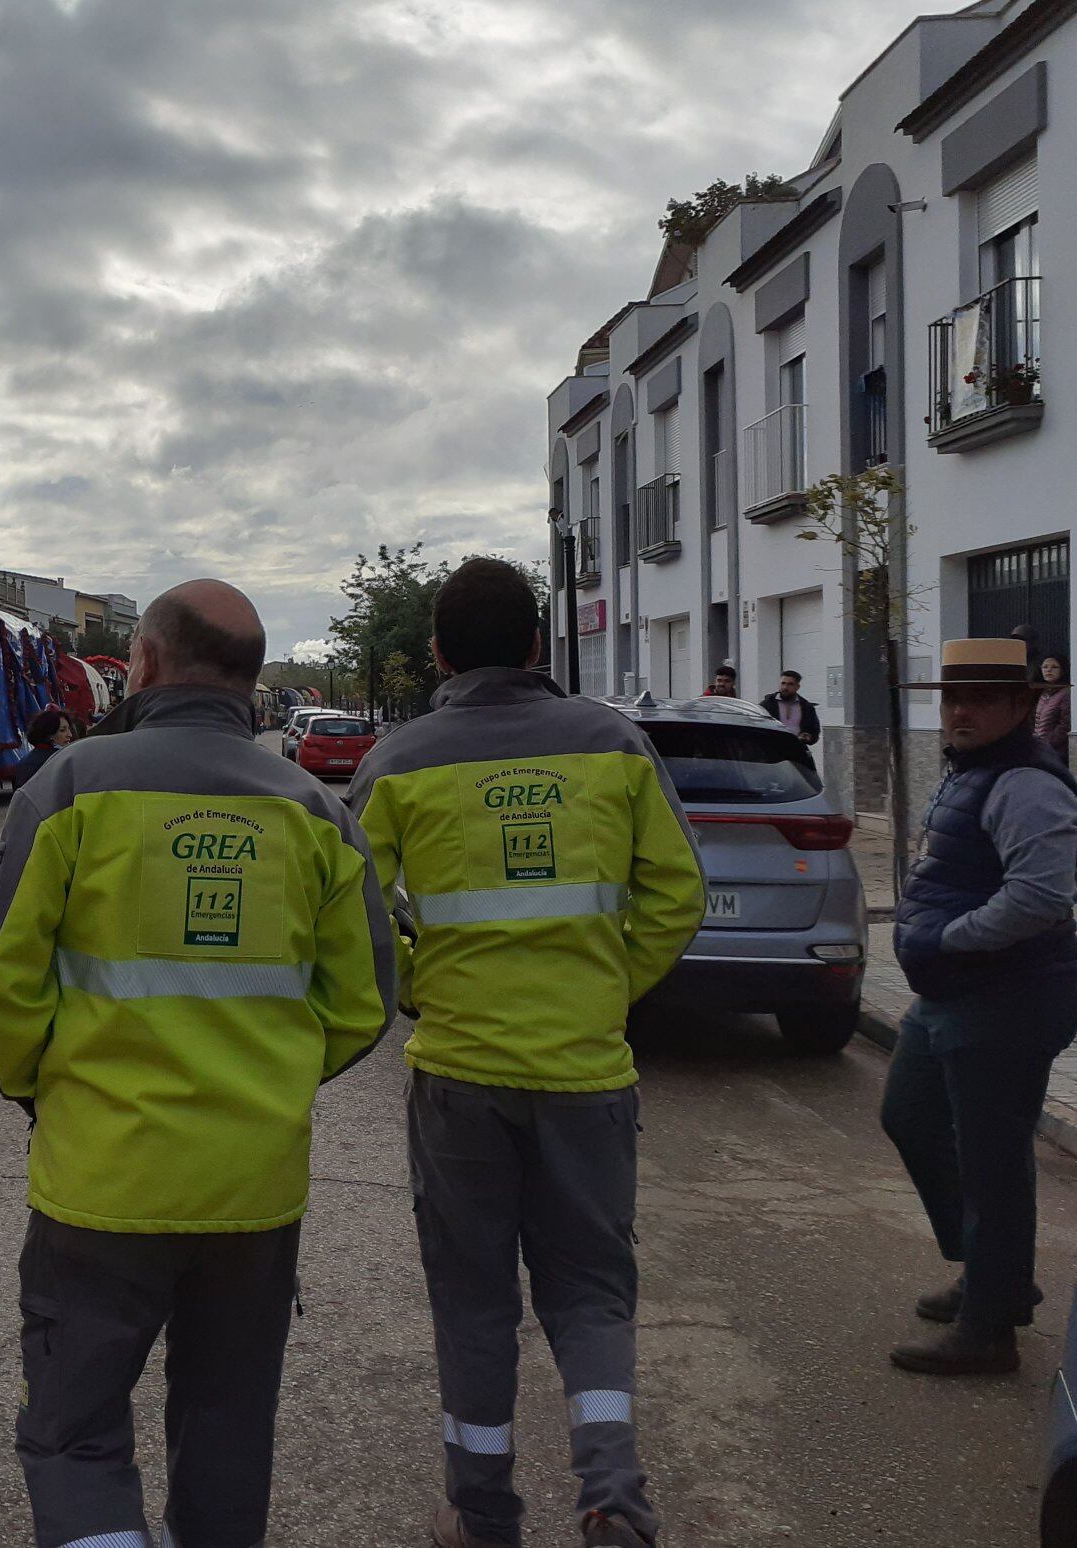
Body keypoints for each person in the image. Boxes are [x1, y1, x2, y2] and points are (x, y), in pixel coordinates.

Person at [0, 579, 395, 1548]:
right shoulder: (313, 813)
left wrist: (46, 1089)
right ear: (250, 683)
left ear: (145, 665)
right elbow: (365, 1003)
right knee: (228, 1439)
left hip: (99, 1183)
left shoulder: (70, 788)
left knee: (73, 1440)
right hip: (253, 1191)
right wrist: (265, 1083)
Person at [349, 558, 706, 1548]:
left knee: (473, 1305)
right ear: (543, 645)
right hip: (587, 1074)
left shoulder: (402, 760)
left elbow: (354, 919)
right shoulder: (615, 744)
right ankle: (612, 1491)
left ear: (436, 652)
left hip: (460, 1075)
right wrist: (604, 986)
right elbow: (678, 896)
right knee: (591, 1292)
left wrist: (419, 982)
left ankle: (485, 1517)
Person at [883, 638, 1077, 1376]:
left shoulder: (1028, 785)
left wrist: (948, 938)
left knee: (993, 1161)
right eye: (951, 697)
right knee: (908, 1115)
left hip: (1010, 998)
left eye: (980, 698)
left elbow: (1039, 898)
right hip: (956, 993)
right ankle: (994, 1274)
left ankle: (990, 1326)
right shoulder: (974, 769)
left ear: (1022, 705)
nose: (960, 710)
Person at [11, 706, 73, 789]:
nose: (70, 735)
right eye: (62, 730)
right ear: (50, 733)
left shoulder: (23, 762)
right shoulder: (58, 761)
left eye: (69, 729)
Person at [759, 670, 821, 745]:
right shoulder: (768, 704)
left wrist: (808, 737)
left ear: (797, 687)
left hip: (796, 750)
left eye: (790, 684)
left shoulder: (806, 707)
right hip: (771, 750)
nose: (785, 687)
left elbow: (815, 732)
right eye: (783, 683)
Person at [1036, 654, 1072, 760]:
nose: (1049, 670)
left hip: (1056, 752)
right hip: (1039, 748)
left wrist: (1047, 743)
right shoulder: (1042, 693)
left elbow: (1065, 725)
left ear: (1062, 670)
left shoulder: (1065, 693)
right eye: (1045, 667)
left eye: (1054, 667)